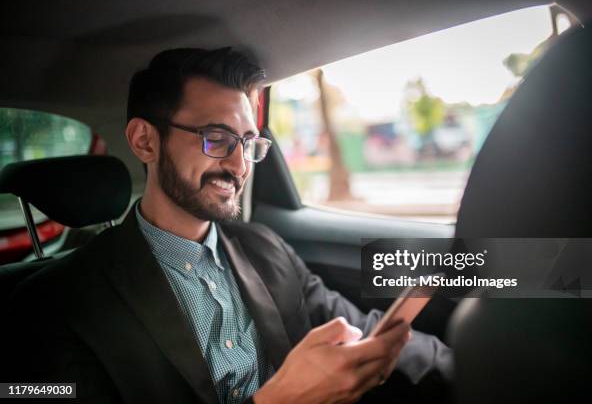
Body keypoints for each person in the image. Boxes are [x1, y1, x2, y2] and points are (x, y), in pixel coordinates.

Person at [5, 47, 452, 403]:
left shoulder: (264, 248)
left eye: (248, 143)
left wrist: (482, 376)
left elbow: (360, 327)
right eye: (216, 139)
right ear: (145, 141)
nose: (239, 165)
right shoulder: (56, 303)